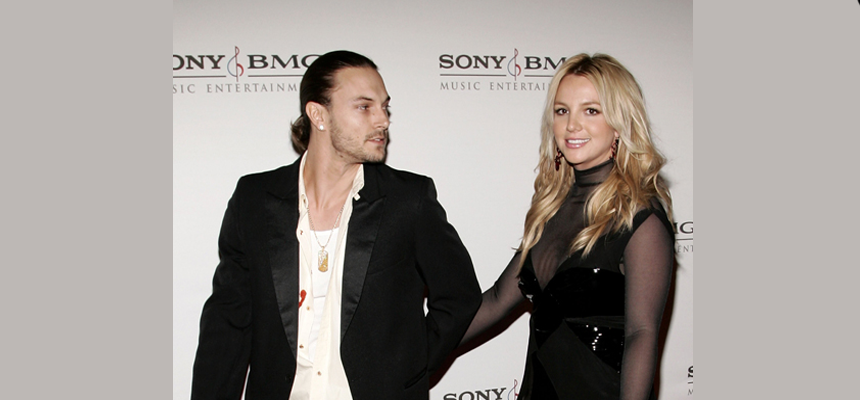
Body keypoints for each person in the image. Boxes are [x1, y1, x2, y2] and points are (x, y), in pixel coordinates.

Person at [191, 50, 482, 400]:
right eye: (364, 106)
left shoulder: (408, 200)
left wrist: (407, 370)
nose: (383, 120)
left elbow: (459, 297)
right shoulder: (253, 199)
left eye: (385, 107)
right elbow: (228, 323)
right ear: (319, 115)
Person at [460, 53, 675, 400]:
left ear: (619, 122)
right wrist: (410, 348)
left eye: (591, 110)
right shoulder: (552, 209)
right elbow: (497, 301)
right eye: (562, 111)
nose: (572, 125)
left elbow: (641, 334)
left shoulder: (639, 219)